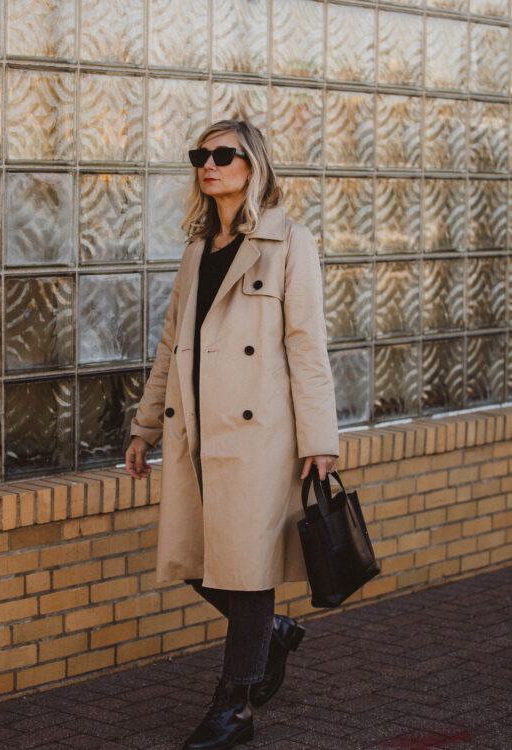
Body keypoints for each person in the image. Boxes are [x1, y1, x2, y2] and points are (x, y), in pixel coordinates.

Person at [125, 119, 339, 750]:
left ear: (254, 165)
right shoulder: (197, 250)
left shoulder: (288, 242)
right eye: (202, 154)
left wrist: (318, 439)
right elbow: (171, 345)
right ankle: (269, 633)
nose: (209, 164)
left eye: (224, 154)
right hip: (195, 435)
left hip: (257, 439)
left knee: (246, 571)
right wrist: (144, 427)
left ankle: (234, 707)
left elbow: (307, 347)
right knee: (199, 559)